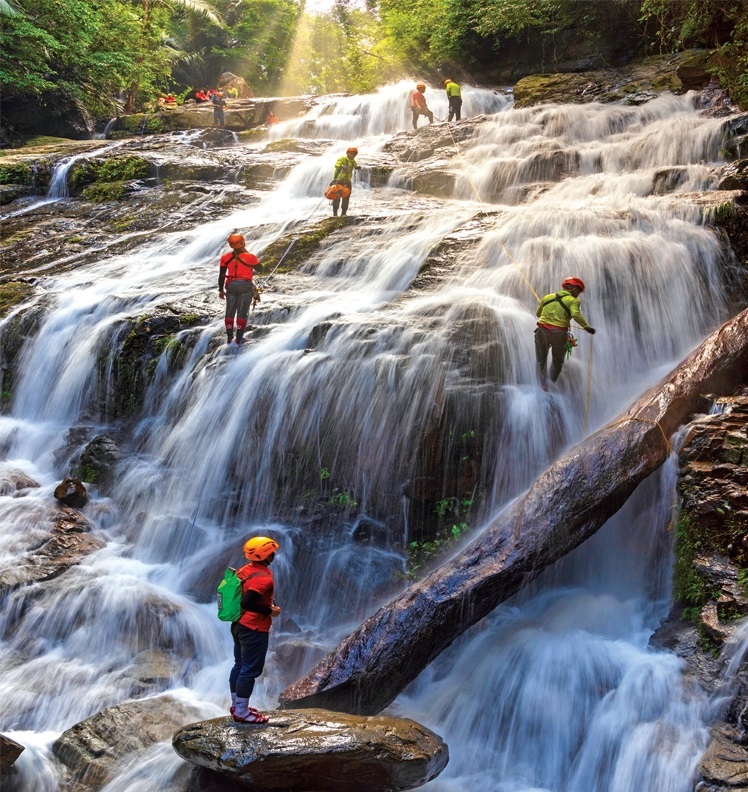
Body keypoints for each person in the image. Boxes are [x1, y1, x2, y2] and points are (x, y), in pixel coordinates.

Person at [229, 536, 281, 724]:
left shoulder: (245, 570)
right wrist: (270, 611)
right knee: (250, 670)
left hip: (238, 625)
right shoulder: (263, 579)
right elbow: (247, 601)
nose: (274, 554)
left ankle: (236, 705)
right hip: (254, 629)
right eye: (272, 552)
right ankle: (242, 712)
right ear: (267, 555)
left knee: (239, 665)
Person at [535, 277, 595, 388]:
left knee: (540, 359)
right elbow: (576, 315)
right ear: (573, 289)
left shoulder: (547, 297)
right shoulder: (573, 300)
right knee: (557, 361)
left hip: (541, 331)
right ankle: (549, 383)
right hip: (558, 333)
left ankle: (540, 385)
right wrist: (586, 327)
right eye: (579, 291)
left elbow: (538, 314)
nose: (579, 294)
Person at [219, 233, 262, 344]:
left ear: (231, 245)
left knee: (230, 312)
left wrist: (221, 290)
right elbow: (260, 269)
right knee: (242, 312)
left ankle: (229, 337)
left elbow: (221, 275)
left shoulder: (225, 258)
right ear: (243, 242)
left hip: (231, 286)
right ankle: (239, 338)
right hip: (245, 286)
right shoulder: (251, 257)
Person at [330, 146, 360, 217]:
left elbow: (356, 165)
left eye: (354, 154)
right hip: (338, 181)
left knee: (346, 198)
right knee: (336, 198)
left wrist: (357, 167)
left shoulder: (353, 161)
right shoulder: (342, 159)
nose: (352, 155)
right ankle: (335, 214)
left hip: (347, 182)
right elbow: (336, 165)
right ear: (347, 153)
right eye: (350, 153)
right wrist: (341, 167)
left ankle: (343, 213)